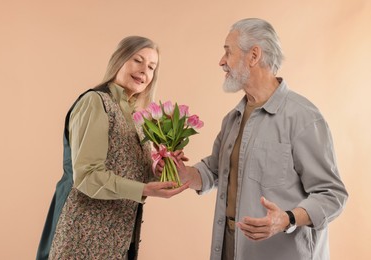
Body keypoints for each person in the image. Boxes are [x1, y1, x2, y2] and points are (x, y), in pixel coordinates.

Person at [176, 18, 348, 259]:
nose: (221, 61)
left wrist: (286, 219)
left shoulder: (303, 117)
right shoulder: (232, 119)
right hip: (231, 248)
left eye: (228, 52)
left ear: (253, 55)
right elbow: (215, 171)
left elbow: (332, 194)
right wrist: (184, 175)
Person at [36, 36, 189, 260]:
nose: (144, 71)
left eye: (151, 67)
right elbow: (88, 175)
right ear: (119, 59)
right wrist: (146, 190)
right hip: (83, 234)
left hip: (119, 237)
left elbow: (125, 169)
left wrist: (157, 169)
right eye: (137, 60)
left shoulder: (137, 117)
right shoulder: (96, 102)